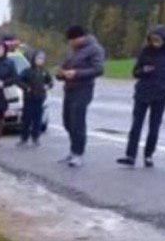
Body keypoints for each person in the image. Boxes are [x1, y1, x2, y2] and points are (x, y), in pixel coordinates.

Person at [119, 24, 165, 169]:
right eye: (153, 40)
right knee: (136, 125)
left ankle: (148, 155)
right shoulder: (146, 51)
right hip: (143, 92)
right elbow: (135, 72)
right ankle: (130, 155)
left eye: (158, 40)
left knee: (154, 127)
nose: (155, 43)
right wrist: (144, 70)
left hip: (161, 94)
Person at [55, 24, 105, 168]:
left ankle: (78, 153)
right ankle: (73, 149)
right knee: (67, 121)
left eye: (71, 40)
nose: (70, 43)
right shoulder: (72, 51)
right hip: (69, 89)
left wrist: (76, 73)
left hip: (84, 89)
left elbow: (98, 69)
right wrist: (60, 73)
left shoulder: (95, 49)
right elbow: (65, 66)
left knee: (78, 121)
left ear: (80, 37)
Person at [17, 49, 53, 146]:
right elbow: (19, 80)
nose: (40, 60)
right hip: (29, 98)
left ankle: (35, 138)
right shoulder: (27, 71)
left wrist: (47, 86)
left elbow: (50, 82)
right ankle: (24, 138)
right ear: (34, 59)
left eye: (42, 59)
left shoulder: (44, 71)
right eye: (38, 58)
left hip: (40, 98)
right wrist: (26, 88)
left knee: (38, 120)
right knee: (27, 119)